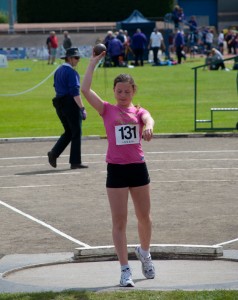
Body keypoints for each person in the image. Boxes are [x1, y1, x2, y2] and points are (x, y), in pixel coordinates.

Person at [81, 50, 155, 287]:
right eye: (119, 91)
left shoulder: (138, 111)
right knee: (119, 221)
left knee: (145, 218)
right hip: (116, 169)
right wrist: (93, 62)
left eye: (127, 91)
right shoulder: (106, 110)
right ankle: (125, 270)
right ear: (114, 92)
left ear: (134, 91)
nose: (123, 95)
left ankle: (144, 252)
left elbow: (149, 118)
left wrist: (149, 127)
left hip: (138, 168)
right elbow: (85, 90)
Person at [47, 47, 88, 169]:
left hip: (59, 104)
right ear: (69, 58)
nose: (78, 60)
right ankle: (75, 162)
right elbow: (75, 92)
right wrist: (82, 108)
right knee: (76, 132)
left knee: (69, 132)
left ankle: (54, 153)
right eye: (76, 57)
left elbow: (56, 86)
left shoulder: (58, 71)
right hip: (70, 104)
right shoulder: (72, 72)